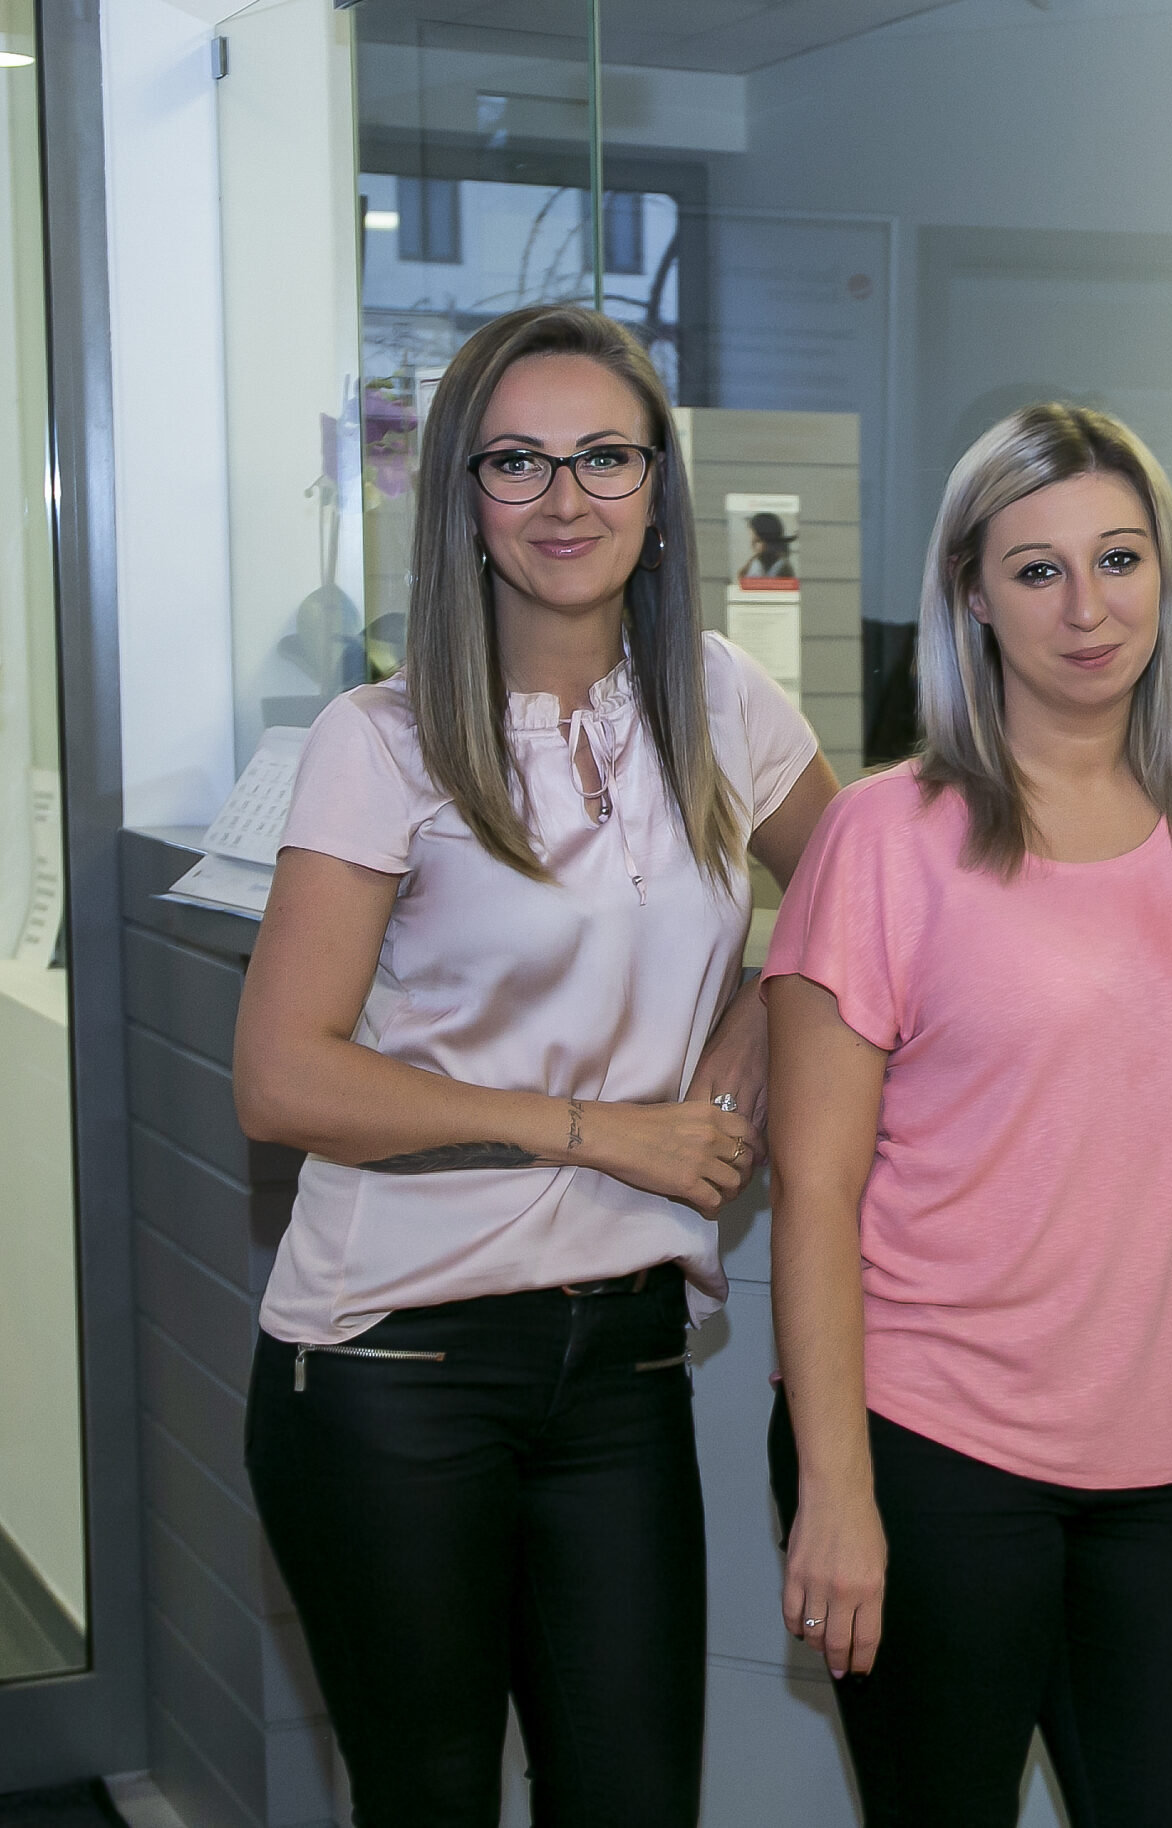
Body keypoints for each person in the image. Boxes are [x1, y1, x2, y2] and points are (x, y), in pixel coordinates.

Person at [233, 304, 837, 1828]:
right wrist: (600, 1132)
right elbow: (282, 1077)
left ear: (658, 490)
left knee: (633, 1799)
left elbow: (867, 908)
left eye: (604, 458)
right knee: (431, 1799)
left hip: (619, 1358)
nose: (566, 499)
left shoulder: (724, 703)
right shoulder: (381, 739)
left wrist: (754, 1020)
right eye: (517, 462)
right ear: (463, 496)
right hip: (391, 1362)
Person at [761, 403, 1172, 1826]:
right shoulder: (887, 834)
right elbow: (814, 1189)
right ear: (971, 594)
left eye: (1119, 559)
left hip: (1159, 1465)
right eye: (1037, 570)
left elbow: (1153, 929)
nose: (1088, 609)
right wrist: (836, 1493)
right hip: (928, 1443)